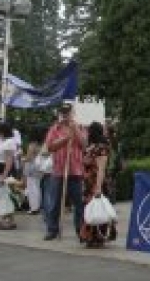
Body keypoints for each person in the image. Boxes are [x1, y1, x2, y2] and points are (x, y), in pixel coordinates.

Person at [44, 104, 87, 241]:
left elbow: (84, 144)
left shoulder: (80, 127)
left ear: (72, 113)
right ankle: (52, 230)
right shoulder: (54, 128)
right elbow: (50, 146)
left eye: (68, 113)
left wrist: (74, 130)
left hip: (75, 171)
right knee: (54, 203)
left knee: (79, 203)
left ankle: (81, 230)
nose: (65, 115)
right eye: (63, 113)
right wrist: (65, 139)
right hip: (59, 171)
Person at [79, 122, 116, 249]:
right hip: (89, 182)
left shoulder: (102, 148)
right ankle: (90, 237)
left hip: (97, 182)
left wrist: (98, 187)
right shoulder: (92, 146)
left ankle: (98, 237)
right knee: (91, 209)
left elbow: (101, 169)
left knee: (98, 210)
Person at [22, 142, 43, 215]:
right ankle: (37, 207)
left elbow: (30, 157)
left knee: (32, 189)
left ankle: (34, 208)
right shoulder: (40, 146)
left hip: (31, 169)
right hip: (38, 169)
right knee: (37, 188)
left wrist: (23, 159)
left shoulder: (32, 145)